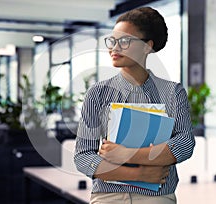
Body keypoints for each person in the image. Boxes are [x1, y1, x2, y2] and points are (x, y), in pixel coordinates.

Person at [74, 6, 195, 204]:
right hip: (107, 197)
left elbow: (185, 144)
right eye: (112, 40)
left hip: (157, 197)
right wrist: (140, 175)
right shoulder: (97, 93)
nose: (114, 47)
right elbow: (83, 156)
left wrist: (126, 154)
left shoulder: (172, 92)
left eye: (124, 41)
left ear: (147, 46)